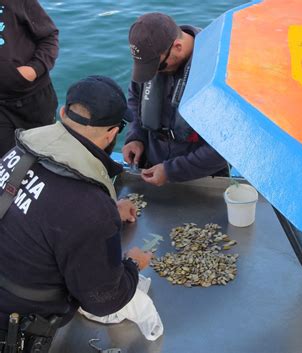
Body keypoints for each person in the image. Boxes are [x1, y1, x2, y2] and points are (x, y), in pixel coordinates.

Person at [0, 76, 152, 353]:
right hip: (16, 326)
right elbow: (104, 300)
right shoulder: (88, 207)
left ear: (62, 113)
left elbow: (40, 213)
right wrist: (132, 265)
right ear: (111, 134)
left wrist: (107, 215)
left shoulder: (17, 153)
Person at [122, 12, 228, 187]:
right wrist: (135, 137)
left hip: (204, 180)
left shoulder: (218, 70)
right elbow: (135, 98)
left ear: (178, 46)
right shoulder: (150, 59)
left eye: (158, 67)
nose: (153, 73)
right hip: (153, 166)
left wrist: (172, 170)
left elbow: (225, 147)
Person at [0, 0, 60, 156]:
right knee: (7, 165)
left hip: (34, 98)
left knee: (45, 158)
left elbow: (49, 37)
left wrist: (33, 69)